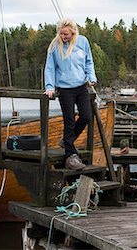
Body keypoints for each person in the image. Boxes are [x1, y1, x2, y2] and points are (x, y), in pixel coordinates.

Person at [44, 18, 97, 170]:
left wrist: (91, 77)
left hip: (81, 86)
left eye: (66, 34)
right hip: (65, 88)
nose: (63, 37)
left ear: (73, 33)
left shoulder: (83, 42)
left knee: (86, 116)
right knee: (69, 121)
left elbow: (89, 61)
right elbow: (50, 68)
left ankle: (67, 141)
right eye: (61, 34)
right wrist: (49, 86)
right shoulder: (55, 46)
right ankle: (70, 155)